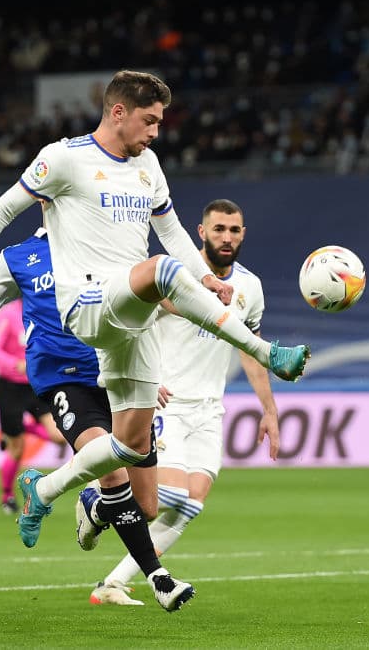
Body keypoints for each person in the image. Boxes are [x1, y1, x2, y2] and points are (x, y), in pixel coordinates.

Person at [0, 70, 309, 590]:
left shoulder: (148, 166)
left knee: (130, 449)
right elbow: (4, 208)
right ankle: (270, 351)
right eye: (149, 121)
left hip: (133, 322)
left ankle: (44, 490)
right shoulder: (64, 158)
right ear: (118, 112)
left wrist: (205, 282)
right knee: (160, 271)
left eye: (160, 123)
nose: (155, 133)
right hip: (88, 304)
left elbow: (170, 230)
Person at [0, 228, 202, 611]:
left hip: (120, 376)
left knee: (146, 505)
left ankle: (95, 506)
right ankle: (158, 578)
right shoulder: (18, 257)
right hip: (66, 380)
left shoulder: (110, 241)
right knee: (110, 469)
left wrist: (199, 303)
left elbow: (153, 300)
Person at [89, 199, 282, 605]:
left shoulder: (251, 287)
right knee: (165, 499)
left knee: (190, 504)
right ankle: (99, 491)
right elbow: (130, 323)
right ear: (201, 232)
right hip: (166, 403)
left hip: (209, 409)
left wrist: (269, 410)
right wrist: (143, 378)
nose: (226, 237)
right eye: (218, 230)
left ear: (243, 234)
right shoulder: (174, 276)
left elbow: (250, 350)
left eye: (233, 230)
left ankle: (111, 584)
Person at [0, 298, 64, 515]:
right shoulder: (8, 314)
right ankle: (7, 496)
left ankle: (19, 428)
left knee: (60, 435)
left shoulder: (46, 312)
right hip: (10, 388)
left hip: (37, 386)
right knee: (17, 450)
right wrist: (15, 364)